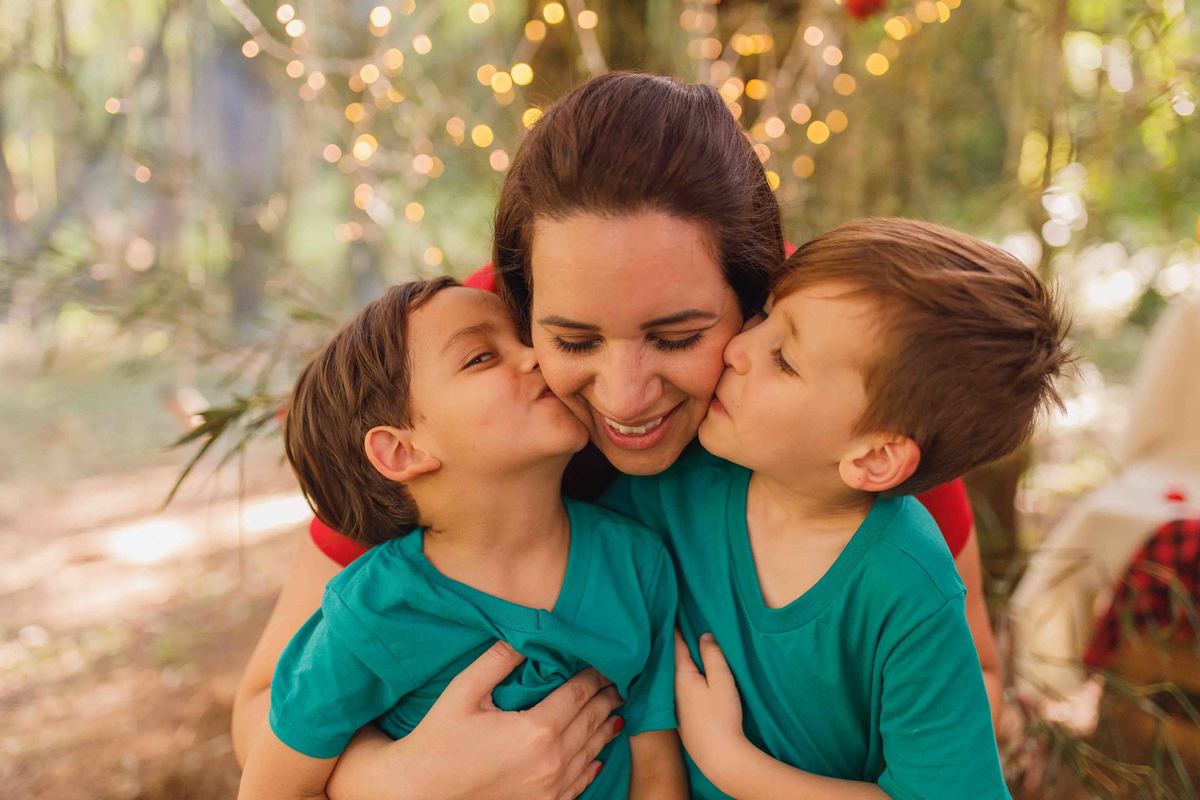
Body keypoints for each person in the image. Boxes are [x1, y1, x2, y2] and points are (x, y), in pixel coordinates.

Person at [231, 73, 1002, 799]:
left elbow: (968, 692)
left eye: (678, 338)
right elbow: (266, 707)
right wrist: (405, 782)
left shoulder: (852, 368)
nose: (625, 396)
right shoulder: (458, 371)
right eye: (573, 341)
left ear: (758, 300)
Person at [608, 218, 1068, 798]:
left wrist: (729, 760)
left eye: (784, 359)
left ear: (873, 457)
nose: (738, 348)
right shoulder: (674, 484)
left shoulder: (909, 590)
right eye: (764, 314)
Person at [237, 279, 686, 800]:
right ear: (402, 452)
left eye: (525, 338)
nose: (536, 356)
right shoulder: (374, 612)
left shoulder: (636, 562)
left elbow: (657, 769)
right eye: (480, 357)